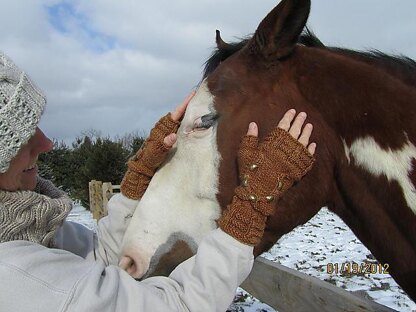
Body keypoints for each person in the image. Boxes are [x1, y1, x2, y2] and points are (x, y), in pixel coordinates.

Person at [0, 51, 316, 312]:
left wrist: (138, 177)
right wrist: (251, 207)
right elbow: (180, 306)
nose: (46, 144)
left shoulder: (25, 225)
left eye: (38, 125)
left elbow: (100, 262)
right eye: (21, 138)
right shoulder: (16, 279)